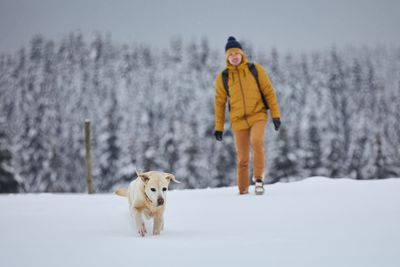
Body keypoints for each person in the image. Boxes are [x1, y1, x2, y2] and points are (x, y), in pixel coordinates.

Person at [214, 36, 281, 195]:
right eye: (230, 55)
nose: (234, 57)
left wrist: (275, 115)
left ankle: (258, 180)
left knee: (256, 141)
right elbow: (219, 104)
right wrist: (219, 127)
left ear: (242, 54)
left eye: (236, 53)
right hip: (238, 121)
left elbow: (269, 92)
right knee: (242, 158)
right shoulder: (223, 77)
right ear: (227, 58)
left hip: (258, 114)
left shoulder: (255, 70)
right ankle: (243, 191)